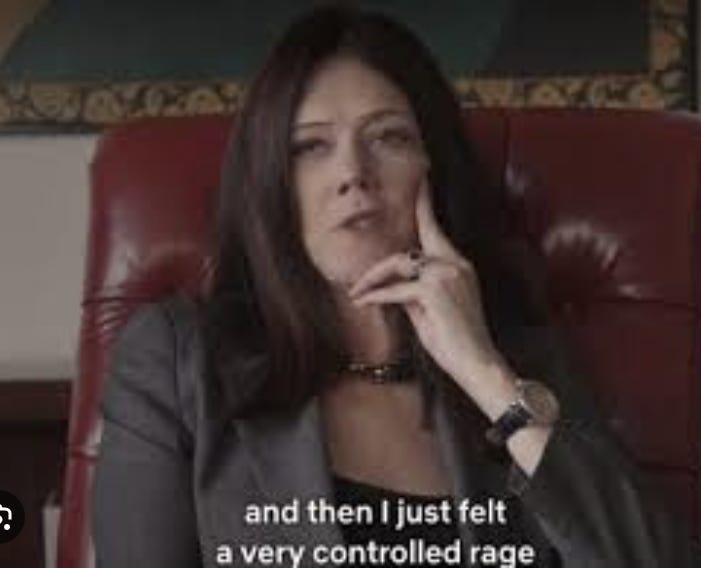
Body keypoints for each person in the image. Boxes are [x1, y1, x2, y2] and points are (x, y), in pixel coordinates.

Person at [92, 4, 700, 567]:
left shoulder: (520, 362)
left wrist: (484, 374)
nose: (353, 174)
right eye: (310, 146)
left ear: (435, 167)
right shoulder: (179, 361)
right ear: (271, 184)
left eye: (389, 137)